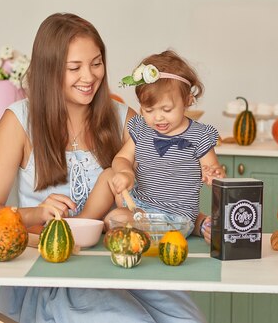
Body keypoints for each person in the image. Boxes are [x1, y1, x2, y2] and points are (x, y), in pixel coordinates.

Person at [0, 13, 206, 323]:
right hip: (53, 274)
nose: (89, 77)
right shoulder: (18, 122)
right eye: (75, 68)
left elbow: (159, 194)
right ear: (49, 69)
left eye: (96, 63)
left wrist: (199, 218)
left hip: (121, 261)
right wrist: (35, 213)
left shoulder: (125, 119)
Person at [87, 50, 224, 241]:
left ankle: (193, 225)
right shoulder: (142, 128)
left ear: (187, 100)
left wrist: (213, 175)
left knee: (113, 219)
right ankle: (83, 221)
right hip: (138, 204)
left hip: (176, 216)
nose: (158, 117)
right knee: (110, 174)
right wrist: (125, 172)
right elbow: (122, 158)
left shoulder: (199, 135)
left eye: (166, 109)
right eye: (148, 110)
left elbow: (213, 171)